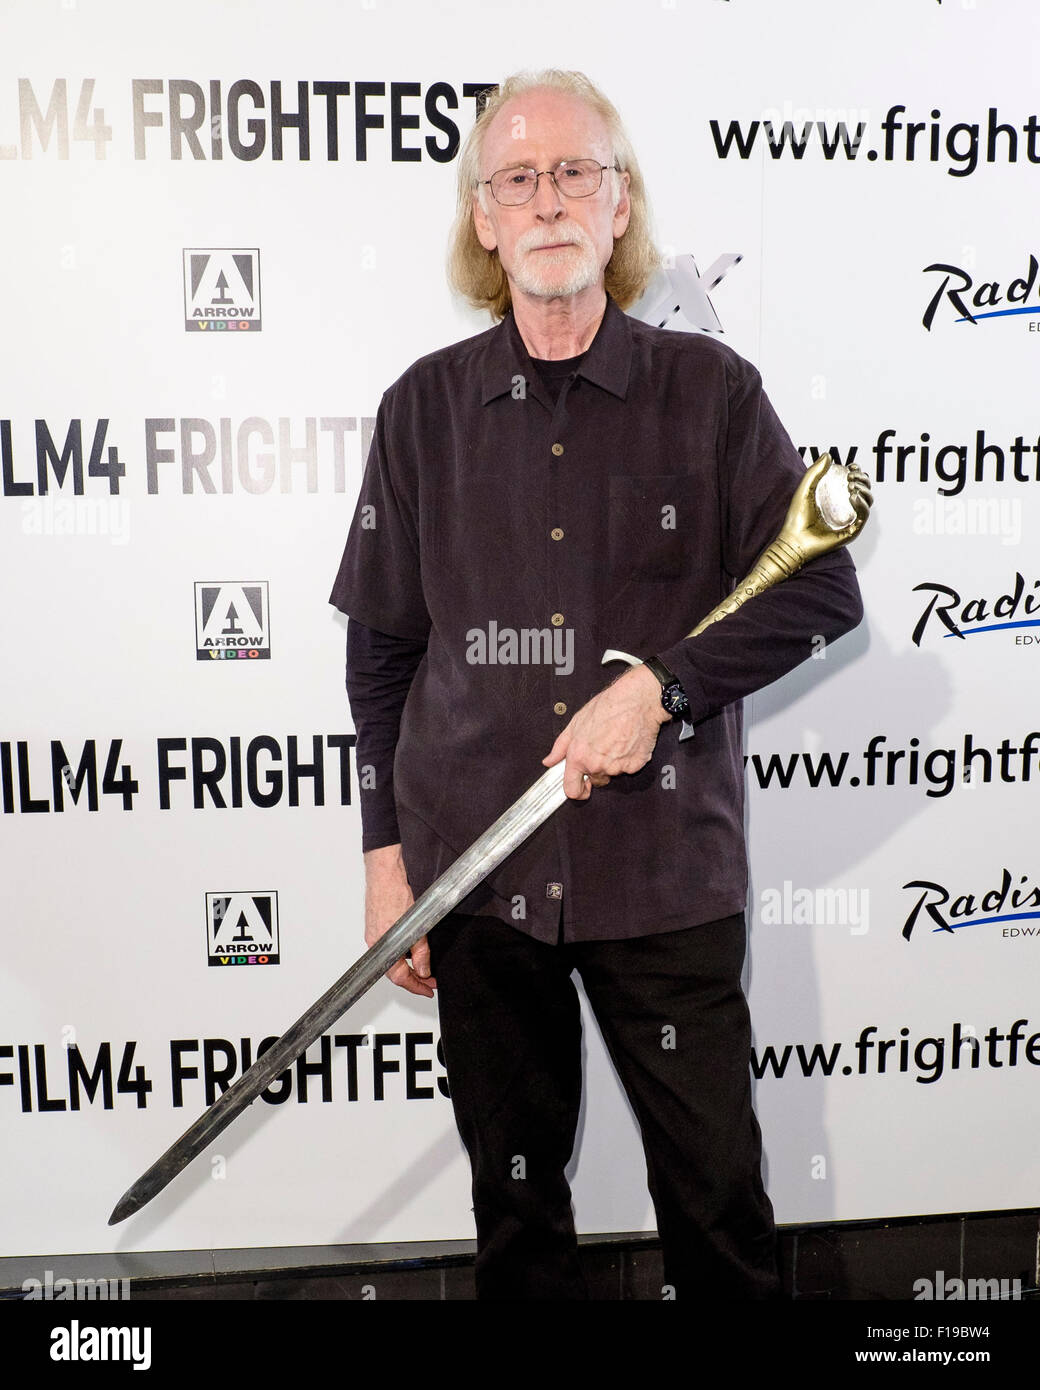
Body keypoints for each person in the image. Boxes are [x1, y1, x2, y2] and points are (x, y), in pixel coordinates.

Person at [330, 68, 865, 1300]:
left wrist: (662, 691)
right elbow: (380, 657)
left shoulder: (712, 394)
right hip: (478, 877)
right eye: (517, 178)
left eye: (577, 172)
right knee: (514, 1221)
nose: (548, 199)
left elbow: (819, 590)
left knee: (717, 1208)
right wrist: (384, 861)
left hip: (661, 873)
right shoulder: (420, 412)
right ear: (483, 218)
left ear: (621, 207)